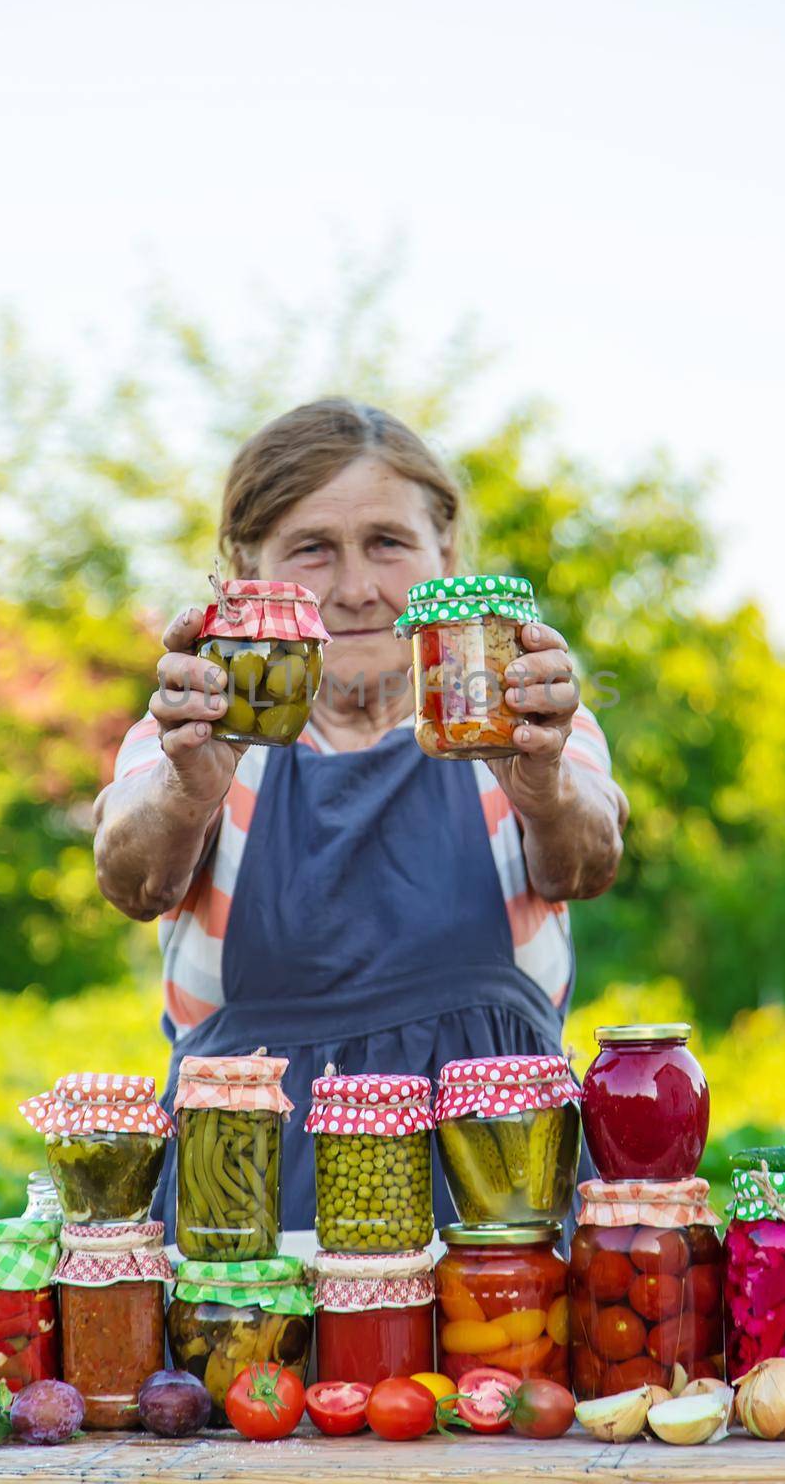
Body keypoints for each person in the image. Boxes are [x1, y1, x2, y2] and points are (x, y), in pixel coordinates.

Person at [93, 397, 629, 1233]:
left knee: (514, 1372)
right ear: (245, 567)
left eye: (388, 543)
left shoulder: (514, 723)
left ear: (444, 551)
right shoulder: (197, 731)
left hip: (500, 1206)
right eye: (311, 550)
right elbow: (129, 877)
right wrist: (187, 789)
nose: (355, 589)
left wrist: (544, 782)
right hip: (245, 1217)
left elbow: (586, 864)